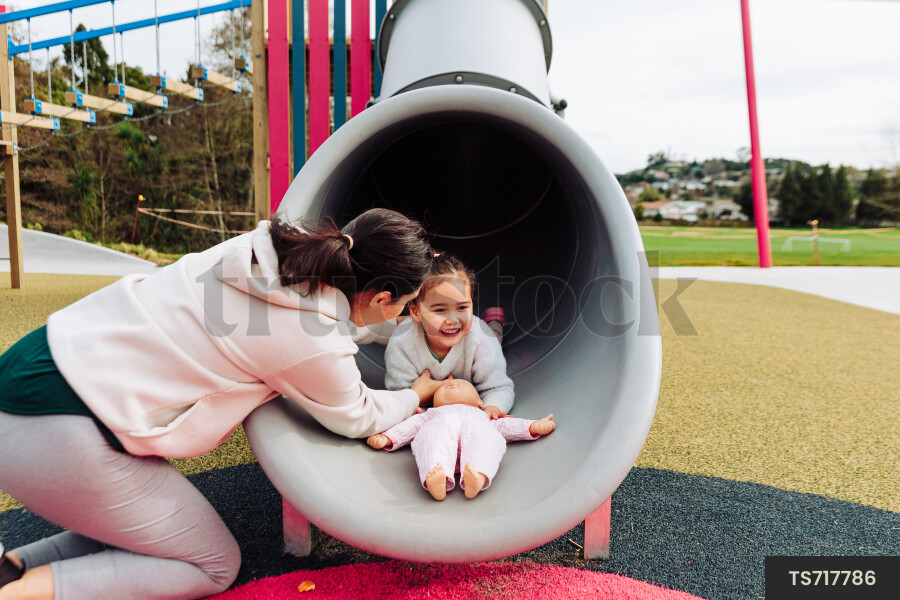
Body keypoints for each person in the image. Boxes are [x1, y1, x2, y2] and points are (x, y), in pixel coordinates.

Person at [0, 208, 444, 600]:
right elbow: (359, 415)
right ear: (382, 297)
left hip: (37, 365)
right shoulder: (311, 338)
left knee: (145, 536)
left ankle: (11, 570)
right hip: (62, 427)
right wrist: (415, 394)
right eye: (404, 308)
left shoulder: (266, 250)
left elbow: (335, 325)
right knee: (210, 565)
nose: (403, 319)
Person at [367, 378, 555, 500]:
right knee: (431, 438)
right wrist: (388, 437)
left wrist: (532, 426)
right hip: (441, 432)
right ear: (433, 402)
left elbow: (507, 427)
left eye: (462, 384)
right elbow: (410, 426)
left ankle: (478, 476)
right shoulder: (431, 414)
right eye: (443, 387)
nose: (451, 383)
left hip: (475, 435)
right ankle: (436, 477)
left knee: (488, 439)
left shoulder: (484, 416)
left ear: (480, 402)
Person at [384, 253, 513, 420]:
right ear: (415, 311)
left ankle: (495, 322)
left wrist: (492, 410)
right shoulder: (402, 343)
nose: (453, 320)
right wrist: (425, 418)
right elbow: (401, 397)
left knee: (493, 337)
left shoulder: (481, 338)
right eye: (440, 310)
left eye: (461, 308)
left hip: (483, 337)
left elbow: (498, 387)